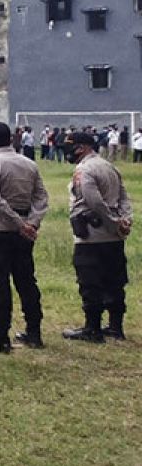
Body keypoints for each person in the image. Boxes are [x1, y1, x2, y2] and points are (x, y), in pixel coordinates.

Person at [0, 122, 49, 352]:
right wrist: (30, 223)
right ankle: (34, 332)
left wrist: (19, 223)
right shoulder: (29, 163)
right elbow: (41, 197)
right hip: (24, 231)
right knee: (26, 281)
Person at [62, 131, 132, 342]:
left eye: (70, 146)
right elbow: (124, 196)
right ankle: (115, 326)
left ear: (81, 147)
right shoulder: (109, 166)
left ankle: (92, 328)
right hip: (113, 237)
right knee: (114, 281)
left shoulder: (85, 169)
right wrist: (124, 221)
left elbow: (94, 202)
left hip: (92, 236)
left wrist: (111, 223)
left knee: (90, 282)